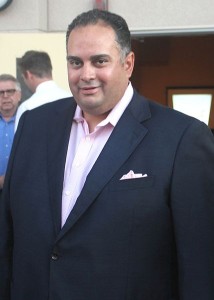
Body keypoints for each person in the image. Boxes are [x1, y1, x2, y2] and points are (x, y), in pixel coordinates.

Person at [0, 9, 214, 300]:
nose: (86, 74)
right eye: (76, 62)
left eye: (99, 61)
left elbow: (199, 264)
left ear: (128, 63)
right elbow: (9, 233)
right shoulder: (34, 125)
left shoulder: (182, 139)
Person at [14, 50, 71, 130]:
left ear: (28, 74)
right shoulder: (72, 99)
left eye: (23, 78)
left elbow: (21, 141)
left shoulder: (27, 108)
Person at [0, 74, 21, 198]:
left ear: (19, 95)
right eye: (1, 92)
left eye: (10, 91)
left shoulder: (29, 120)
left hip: (21, 191)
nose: (5, 96)